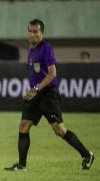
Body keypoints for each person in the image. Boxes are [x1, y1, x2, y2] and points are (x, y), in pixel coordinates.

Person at [5, 19, 94, 172]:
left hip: (47, 94)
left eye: (36, 32)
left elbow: (53, 73)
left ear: (42, 33)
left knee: (59, 130)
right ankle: (22, 165)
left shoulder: (46, 48)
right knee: (24, 126)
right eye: (30, 31)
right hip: (35, 94)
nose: (32, 34)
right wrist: (32, 91)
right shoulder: (31, 49)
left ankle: (87, 155)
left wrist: (36, 89)